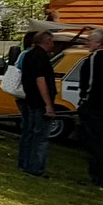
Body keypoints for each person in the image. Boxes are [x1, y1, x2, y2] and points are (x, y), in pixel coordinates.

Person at [75, 27, 103, 190]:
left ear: (99, 42)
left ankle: (100, 176)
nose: (87, 43)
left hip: (93, 106)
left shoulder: (95, 59)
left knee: (93, 142)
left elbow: (90, 83)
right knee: (96, 140)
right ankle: (98, 174)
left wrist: (84, 101)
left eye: (89, 40)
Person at [15, 28, 59, 177]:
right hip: (40, 101)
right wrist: (48, 104)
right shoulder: (42, 58)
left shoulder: (28, 55)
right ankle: (36, 167)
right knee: (40, 136)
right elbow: (41, 80)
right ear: (47, 42)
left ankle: (24, 162)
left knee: (29, 132)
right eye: (52, 41)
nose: (53, 44)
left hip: (30, 99)